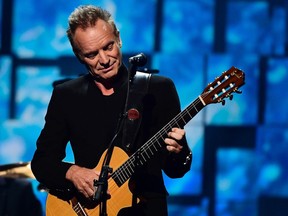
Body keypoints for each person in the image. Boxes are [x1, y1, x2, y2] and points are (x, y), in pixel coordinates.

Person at [31, 4, 192, 216]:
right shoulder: (66, 96)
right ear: (79, 56)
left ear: (118, 38)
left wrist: (181, 152)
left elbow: (175, 171)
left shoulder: (157, 90)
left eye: (108, 47)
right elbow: (42, 163)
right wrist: (73, 172)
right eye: (91, 55)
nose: (104, 60)